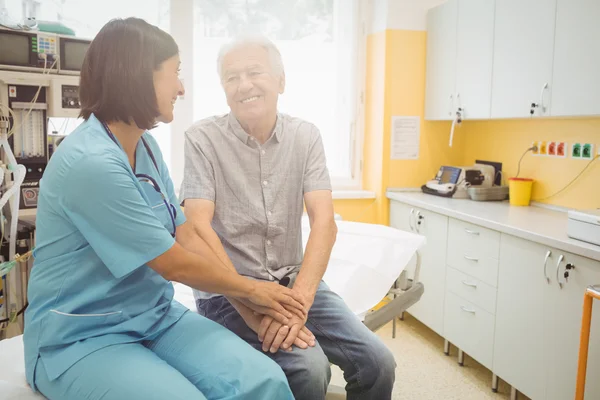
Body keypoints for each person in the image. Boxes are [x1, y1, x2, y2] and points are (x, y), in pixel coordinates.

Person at [23, 19, 305, 400]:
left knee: (265, 381)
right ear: (137, 77)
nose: (181, 88)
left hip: (154, 318)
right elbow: (172, 262)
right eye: (174, 73)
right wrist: (254, 290)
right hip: (80, 336)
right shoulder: (91, 163)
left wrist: (245, 306)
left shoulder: (147, 149)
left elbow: (185, 232)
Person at [180, 35, 397, 400]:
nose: (244, 84)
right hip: (227, 290)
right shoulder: (202, 139)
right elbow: (197, 227)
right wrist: (249, 307)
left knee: (378, 362)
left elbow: (324, 223)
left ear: (281, 81)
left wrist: (300, 303)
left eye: (254, 72)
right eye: (231, 77)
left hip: (293, 284)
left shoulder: (305, 136)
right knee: (311, 370)